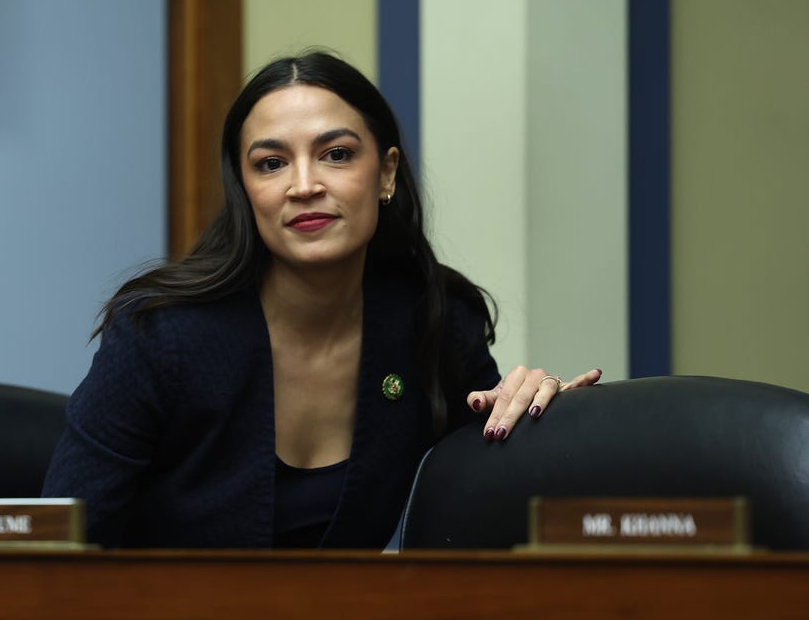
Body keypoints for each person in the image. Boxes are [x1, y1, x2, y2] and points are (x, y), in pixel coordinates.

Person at [41, 51, 601, 549]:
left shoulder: (434, 320)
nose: (303, 184)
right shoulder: (159, 336)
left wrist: (540, 427)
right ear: (244, 190)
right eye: (271, 163)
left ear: (385, 174)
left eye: (335, 154)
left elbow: (479, 514)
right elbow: (59, 553)